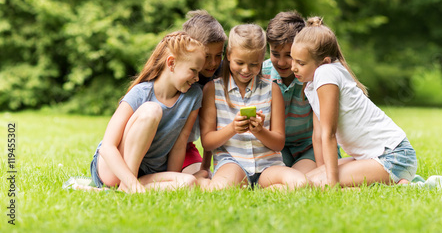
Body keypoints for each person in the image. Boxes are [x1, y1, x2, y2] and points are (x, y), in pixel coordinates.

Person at [290, 17, 418, 188]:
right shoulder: (312, 84)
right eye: (293, 59)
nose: (293, 67)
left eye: (301, 63)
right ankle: (392, 184)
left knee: (305, 185)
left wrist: (332, 185)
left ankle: (395, 182)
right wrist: (323, 174)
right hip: (374, 157)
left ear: (325, 61)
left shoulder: (326, 73)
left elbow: (328, 134)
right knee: (305, 181)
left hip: (394, 157)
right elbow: (319, 135)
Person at [89, 31, 206, 193]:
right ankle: (129, 185)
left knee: (189, 182)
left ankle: (128, 189)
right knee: (152, 110)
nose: (197, 78)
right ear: (171, 63)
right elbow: (107, 147)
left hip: (149, 173)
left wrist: (172, 176)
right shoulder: (141, 93)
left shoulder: (193, 96)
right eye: (193, 70)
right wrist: (131, 181)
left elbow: (180, 143)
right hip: (113, 169)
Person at [199, 24, 307, 190]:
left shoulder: (272, 89)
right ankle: (229, 184)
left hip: (268, 165)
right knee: (220, 189)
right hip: (232, 162)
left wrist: (259, 131)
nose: (246, 70)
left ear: (262, 58)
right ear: (228, 55)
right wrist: (233, 128)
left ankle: (265, 189)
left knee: (300, 183)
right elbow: (207, 142)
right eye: (240, 62)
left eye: (254, 64)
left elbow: (279, 143)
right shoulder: (213, 90)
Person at [263, 11, 326, 175]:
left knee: (301, 179)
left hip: (309, 148)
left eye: (289, 55)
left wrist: (322, 169)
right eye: (275, 54)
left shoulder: (314, 77)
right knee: (277, 179)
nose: (282, 62)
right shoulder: (262, 75)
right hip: (276, 149)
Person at [181, 10, 227, 178]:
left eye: (219, 55)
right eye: (207, 56)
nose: (213, 63)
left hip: (186, 148)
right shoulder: (181, 77)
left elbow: (213, 126)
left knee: (203, 178)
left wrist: (206, 166)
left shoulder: (220, 75)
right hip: (161, 146)